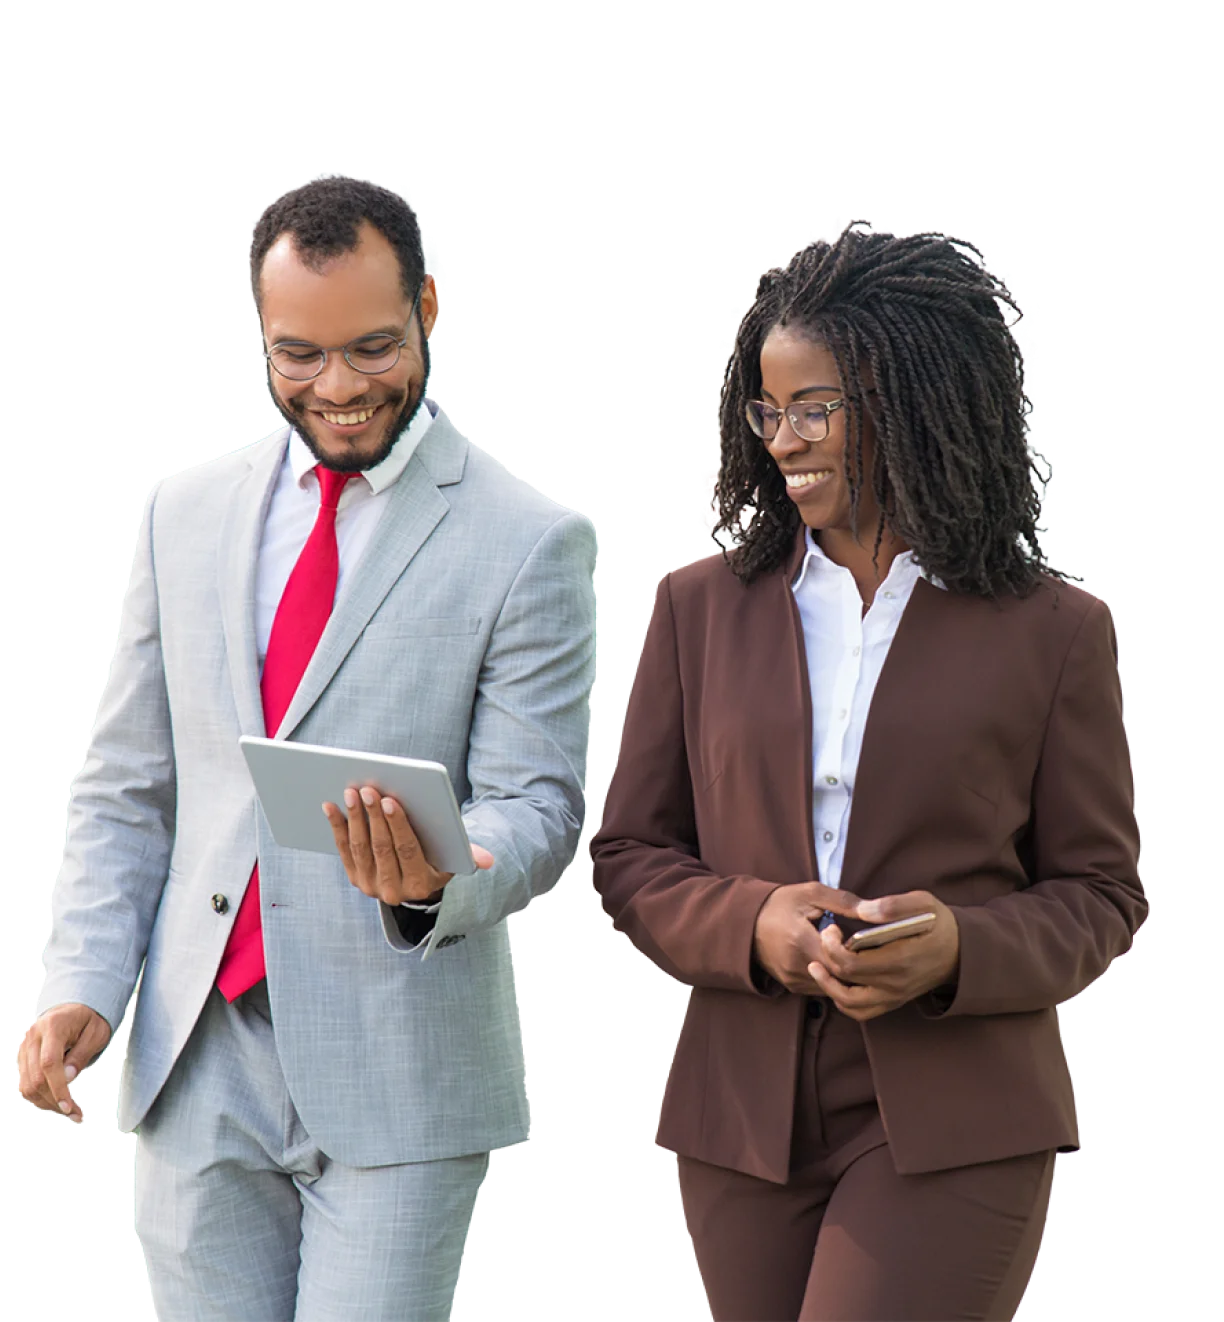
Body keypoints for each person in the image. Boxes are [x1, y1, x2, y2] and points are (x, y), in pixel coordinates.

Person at [16, 176, 597, 1320]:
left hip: (401, 1059)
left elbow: (540, 803)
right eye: (299, 354)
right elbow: (129, 786)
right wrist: (83, 978)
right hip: (196, 1049)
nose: (336, 388)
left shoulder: (531, 538)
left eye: (373, 347)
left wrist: (445, 876)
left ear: (431, 306)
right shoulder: (181, 513)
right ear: (260, 331)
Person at [587, 224, 1148, 1322]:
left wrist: (960, 947)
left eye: (814, 408)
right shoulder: (697, 608)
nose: (782, 439)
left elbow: (1102, 891)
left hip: (955, 1113)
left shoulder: (1054, 629)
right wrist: (753, 922)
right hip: (743, 1117)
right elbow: (633, 856)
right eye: (767, 409)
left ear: (909, 399)